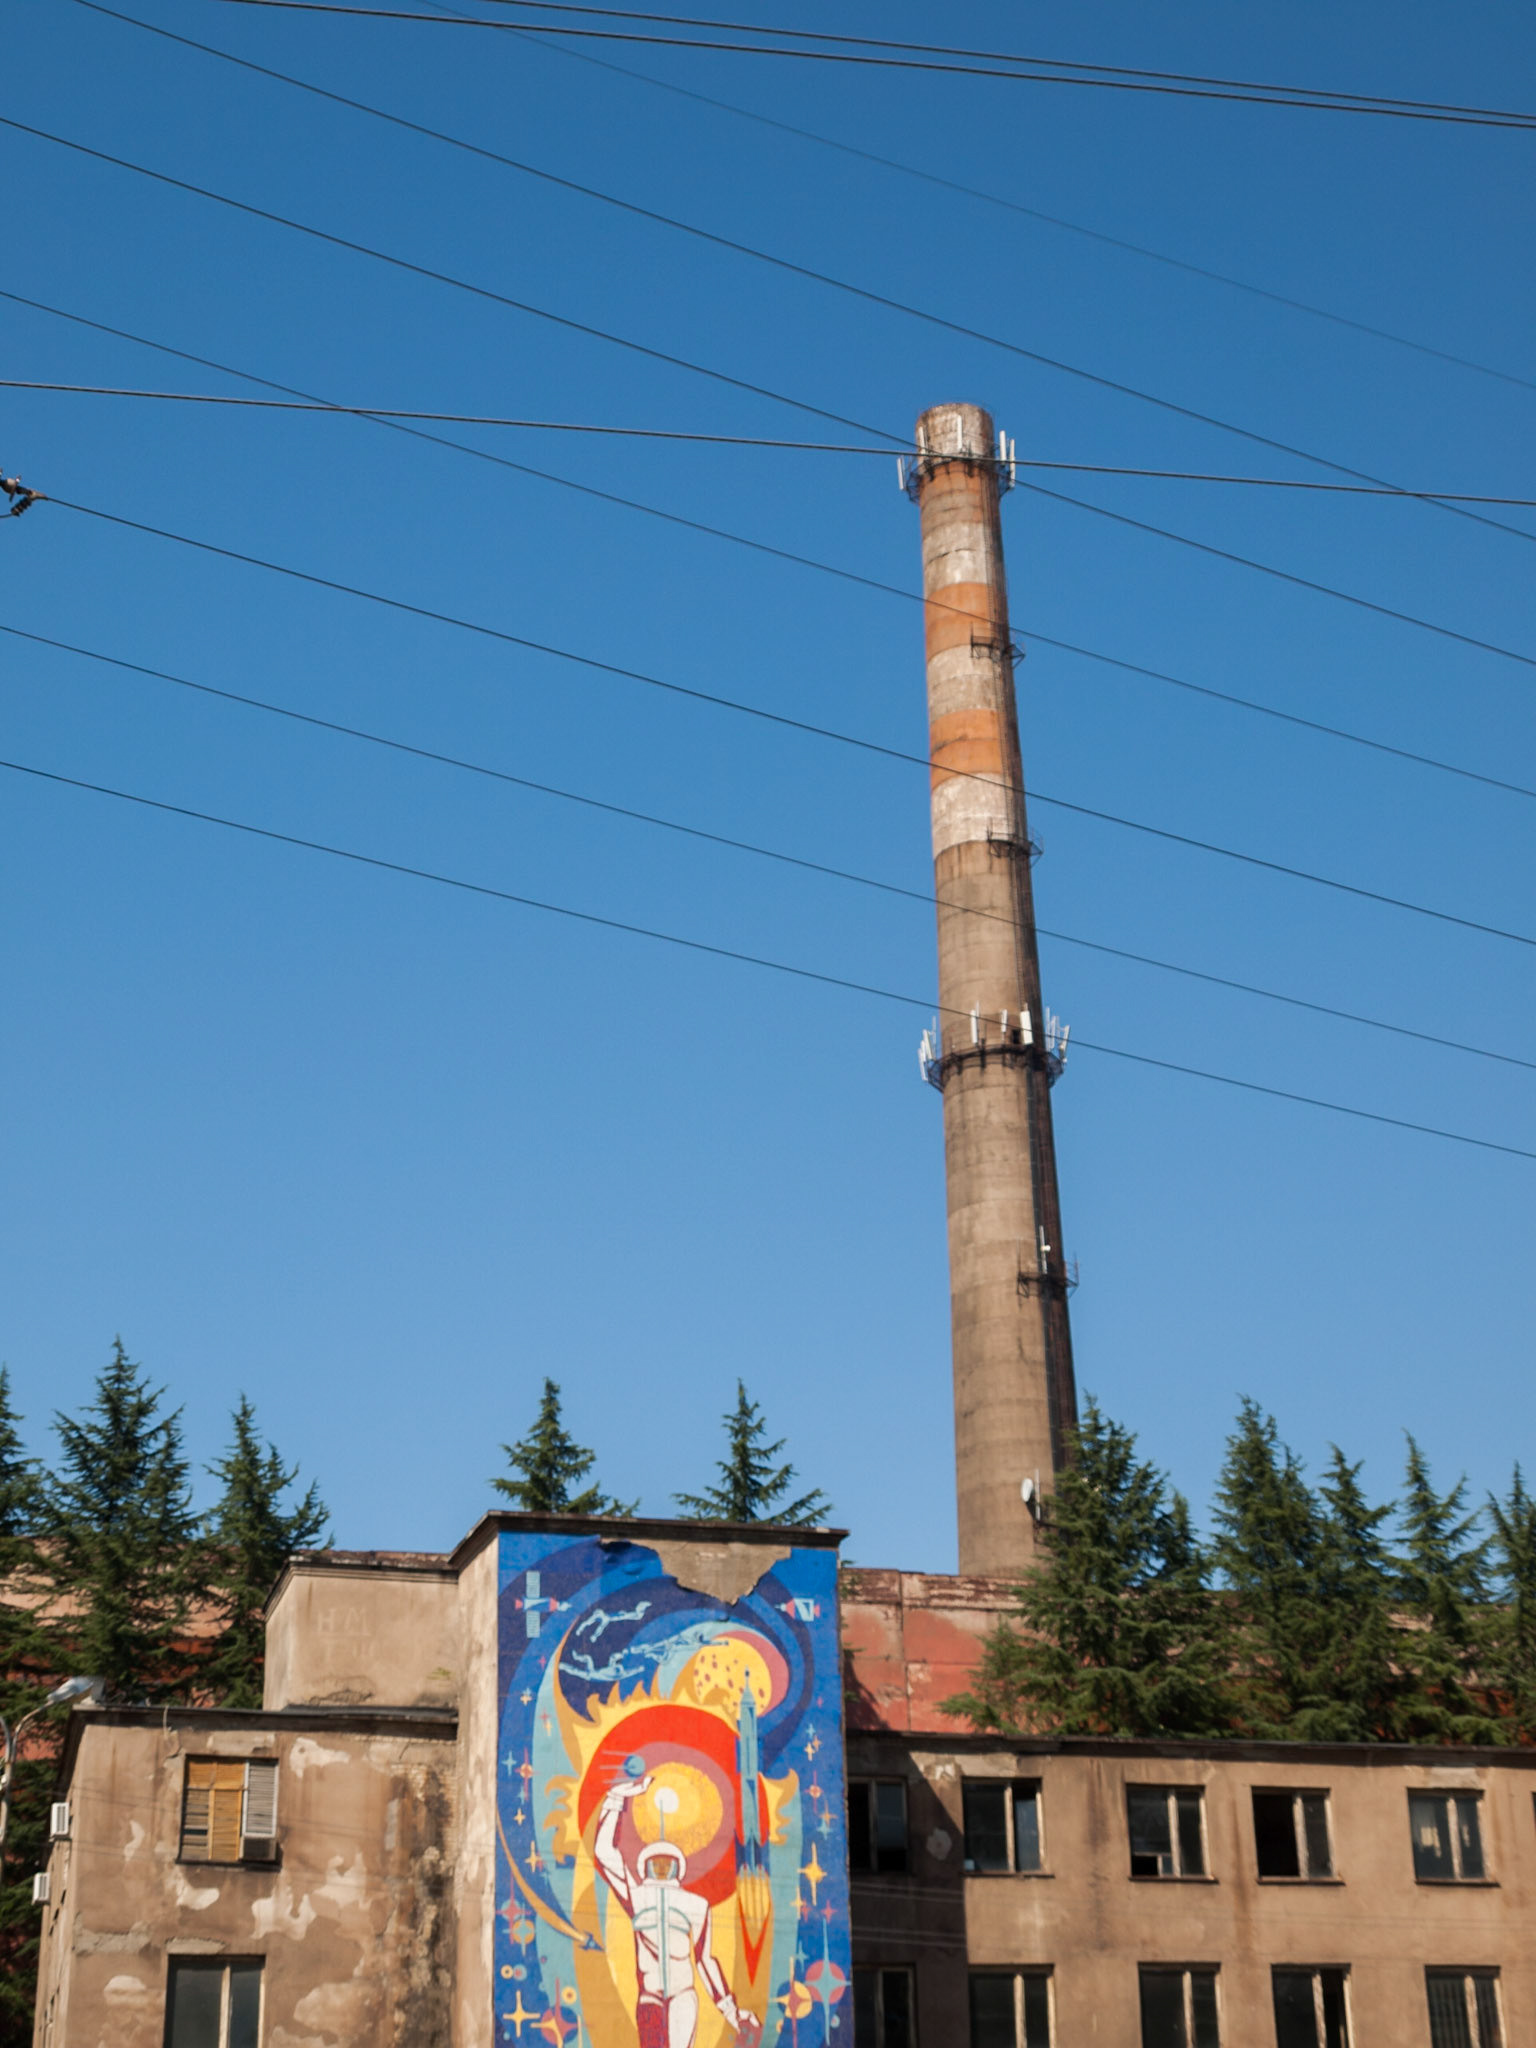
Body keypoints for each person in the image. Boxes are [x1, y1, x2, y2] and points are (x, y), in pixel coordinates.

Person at [595, 1773, 758, 2048]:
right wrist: (616, 1798)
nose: (659, 1867)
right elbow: (604, 1853)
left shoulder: (696, 1905)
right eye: (654, 1862)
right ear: (645, 1865)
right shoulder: (637, 1896)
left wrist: (731, 2011)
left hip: (683, 1995)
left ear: (676, 1866)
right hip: (650, 1996)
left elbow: (705, 1961)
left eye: (665, 1862)